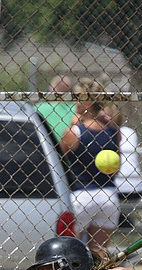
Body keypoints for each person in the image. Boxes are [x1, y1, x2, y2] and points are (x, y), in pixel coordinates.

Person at [60, 79, 121, 251]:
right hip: (108, 195)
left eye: (78, 98)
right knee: (99, 255)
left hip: (81, 196)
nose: (75, 102)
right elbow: (117, 166)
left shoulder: (74, 132)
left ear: (86, 103)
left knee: (71, 252)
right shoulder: (113, 131)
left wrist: (74, 125)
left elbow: (58, 160)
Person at [105, 103, 142, 229]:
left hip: (115, 186)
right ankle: (125, 222)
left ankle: (121, 223)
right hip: (137, 186)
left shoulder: (105, 133)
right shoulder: (130, 132)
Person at [36, 75, 76, 143]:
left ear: (52, 89)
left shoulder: (39, 108)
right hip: (70, 145)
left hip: (45, 144)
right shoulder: (76, 108)